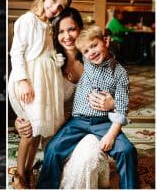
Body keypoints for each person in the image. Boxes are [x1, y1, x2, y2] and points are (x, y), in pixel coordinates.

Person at [15, 7, 116, 189]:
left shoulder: (92, 57)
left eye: (71, 29)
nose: (67, 36)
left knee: (89, 158)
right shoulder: (47, 63)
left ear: (80, 29)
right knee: (64, 169)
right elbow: (29, 96)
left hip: (89, 128)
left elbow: (116, 93)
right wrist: (20, 118)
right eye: (61, 31)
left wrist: (111, 103)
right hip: (57, 132)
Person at [37, 25, 138, 189]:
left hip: (105, 122)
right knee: (53, 149)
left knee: (127, 150)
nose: (91, 52)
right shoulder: (86, 61)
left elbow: (121, 108)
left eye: (94, 45)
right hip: (77, 122)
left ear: (106, 41)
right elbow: (67, 43)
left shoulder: (120, 73)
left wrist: (111, 136)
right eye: (86, 50)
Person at [8, 0, 72, 189]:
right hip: (30, 80)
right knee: (28, 131)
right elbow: (16, 52)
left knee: (37, 130)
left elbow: (49, 53)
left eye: (60, 7)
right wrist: (23, 81)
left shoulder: (49, 25)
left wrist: (58, 65)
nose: (54, 8)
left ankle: (27, 170)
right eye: (53, 1)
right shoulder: (28, 20)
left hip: (45, 81)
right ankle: (18, 175)